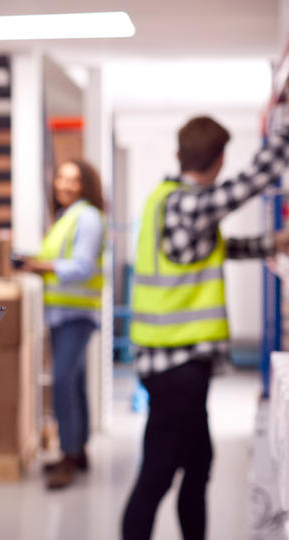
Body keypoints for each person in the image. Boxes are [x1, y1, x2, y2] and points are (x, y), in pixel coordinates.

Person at [122, 116, 289, 540]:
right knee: (159, 473)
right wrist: (284, 126)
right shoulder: (189, 202)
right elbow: (253, 180)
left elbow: (211, 248)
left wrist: (272, 243)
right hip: (176, 364)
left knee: (197, 466)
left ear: (179, 155)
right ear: (219, 160)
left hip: (174, 364)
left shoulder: (167, 200)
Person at [19, 158, 105, 489]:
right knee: (75, 381)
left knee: (64, 381)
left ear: (86, 185)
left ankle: (68, 456)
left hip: (76, 314)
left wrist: (43, 267)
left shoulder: (87, 217)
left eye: (73, 180)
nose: (65, 185)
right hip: (61, 314)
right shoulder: (65, 218)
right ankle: (78, 451)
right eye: (61, 179)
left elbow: (81, 267)